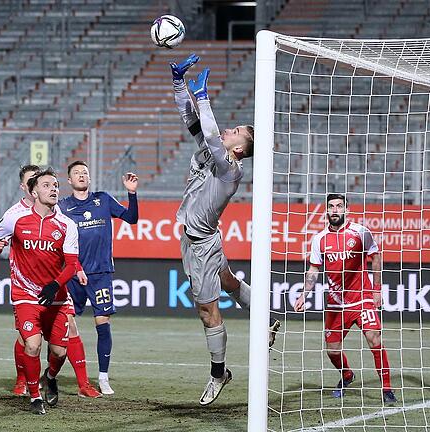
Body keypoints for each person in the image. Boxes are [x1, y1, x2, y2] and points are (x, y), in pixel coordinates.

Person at [169, 54, 280, 406]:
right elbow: (191, 120)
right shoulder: (212, 150)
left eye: (235, 133)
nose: (227, 131)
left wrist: (204, 97)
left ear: (239, 148)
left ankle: (219, 373)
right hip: (198, 237)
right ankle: (267, 318)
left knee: (207, 310)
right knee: (230, 281)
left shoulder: (231, 171)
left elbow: (214, 136)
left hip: (201, 243)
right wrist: (179, 83)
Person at [0, 165, 101, 400]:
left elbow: (67, 251)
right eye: (34, 181)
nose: (48, 187)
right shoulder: (14, 214)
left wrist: (77, 268)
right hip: (25, 286)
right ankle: (23, 380)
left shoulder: (56, 212)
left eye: (51, 184)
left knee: (67, 331)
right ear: (26, 187)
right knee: (27, 339)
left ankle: (76, 382)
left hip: (55, 284)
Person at [0, 168, 80, 415]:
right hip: (25, 295)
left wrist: (56, 284)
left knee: (59, 352)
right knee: (32, 346)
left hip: (56, 299)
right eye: (46, 185)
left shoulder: (67, 224)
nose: (53, 189)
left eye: (55, 185)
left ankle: (51, 376)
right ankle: (34, 396)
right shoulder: (16, 218)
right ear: (34, 192)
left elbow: (72, 264)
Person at [294, 193, 397, 404]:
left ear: (346, 210)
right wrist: (304, 294)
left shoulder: (360, 232)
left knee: (374, 338)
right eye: (331, 206)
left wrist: (377, 289)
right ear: (327, 211)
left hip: (362, 298)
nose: (334, 210)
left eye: (339, 206)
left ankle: (386, 388)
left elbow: (375, 257)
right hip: (335, 303)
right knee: (332, 350)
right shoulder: (319, 239)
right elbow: (314, 270)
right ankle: (347, 374)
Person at [58, 161, 139, 395]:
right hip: (73, 274)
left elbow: (131, 218)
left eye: (85, 172)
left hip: (101, 273)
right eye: (76, 173)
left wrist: (131, 194)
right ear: (70, 181)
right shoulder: (63, 207)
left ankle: (103, 377)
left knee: (103, 324)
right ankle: (52, 373)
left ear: (89, 178)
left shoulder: (103, 199)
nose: (82, 175)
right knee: (64, 327)